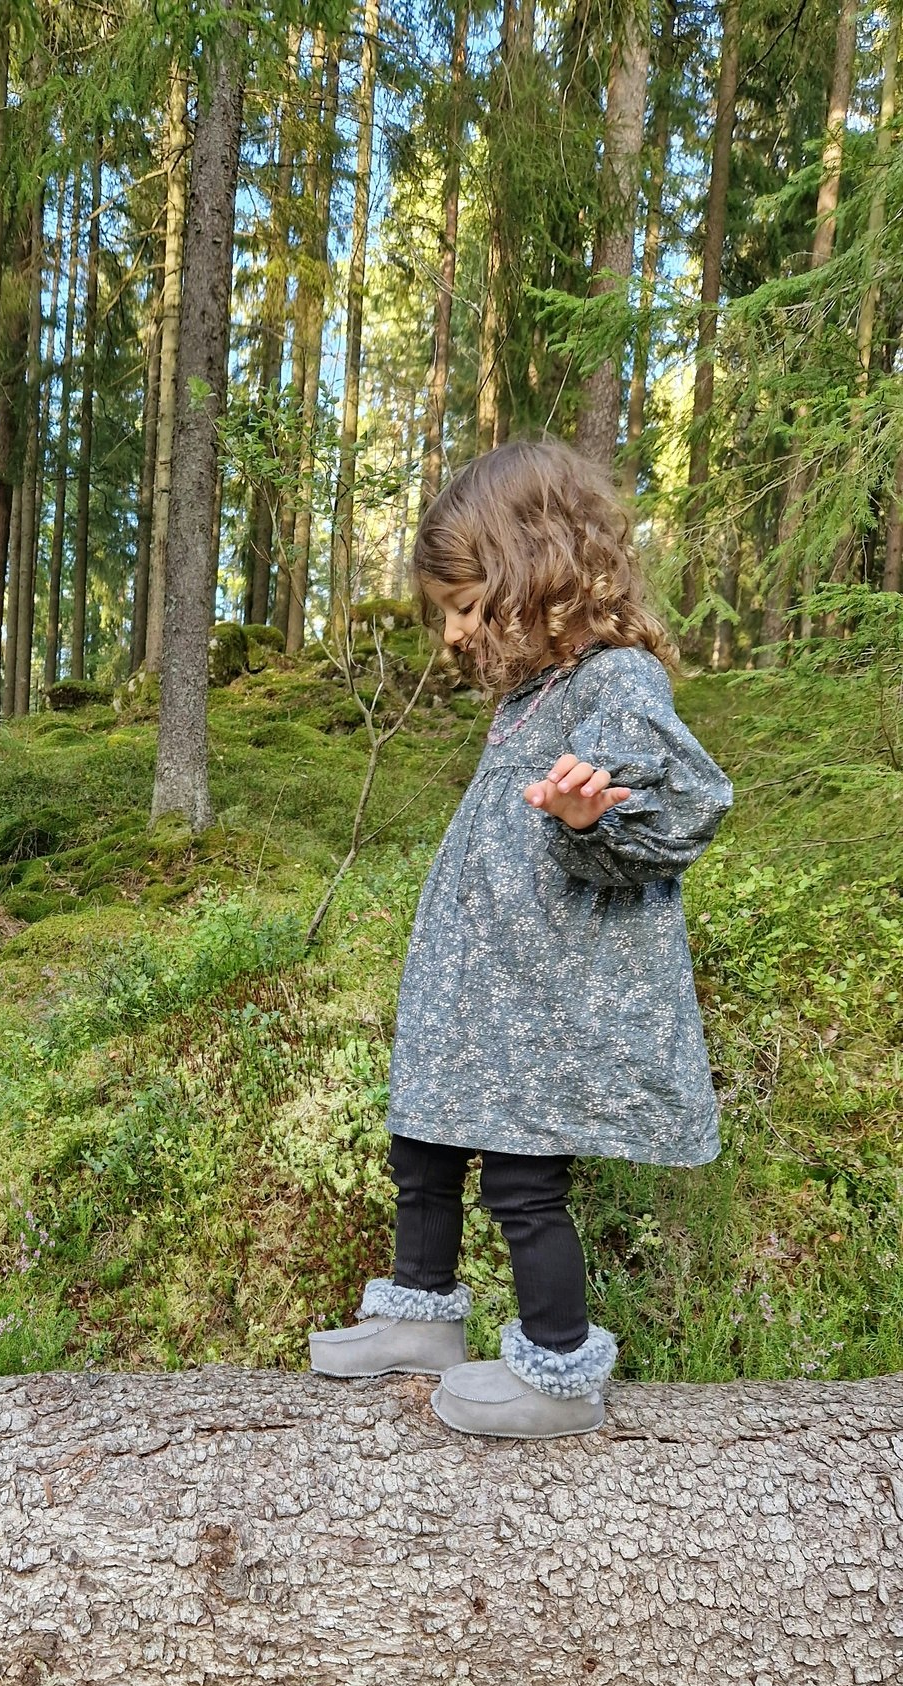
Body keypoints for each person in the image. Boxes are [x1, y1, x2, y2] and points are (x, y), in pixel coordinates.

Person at [308, 438, 733, 1438]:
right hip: (479, 992)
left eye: (465, 605)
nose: (454, 633)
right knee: (422, 1138)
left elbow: (688, 804)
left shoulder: (615, 681)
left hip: (544, 1004)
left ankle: (557, 1371)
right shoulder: (530, 693)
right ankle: (422, 1314)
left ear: (531, 571)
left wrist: (599, 818)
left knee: (520, 1179)